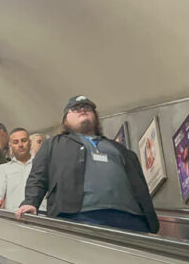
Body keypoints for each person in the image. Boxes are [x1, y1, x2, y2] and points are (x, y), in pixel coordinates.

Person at [16, 96, 158, 233]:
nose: (82, 109)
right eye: (75, 108)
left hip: (131, 219)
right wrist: (31, 202)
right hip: (77, 216)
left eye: (87, 107)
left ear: (96, 117)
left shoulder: (120, 148)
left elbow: (140, 185)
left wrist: (151, 220)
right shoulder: (53, 145)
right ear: (65, 120)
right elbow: (38, 177)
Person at [0, 128, 33, 211]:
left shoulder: (41, 166)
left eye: (24, 140)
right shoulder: (3, 169)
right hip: (13, 217)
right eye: (16, 142)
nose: (20, 145)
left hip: (40, 216)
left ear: (30, 142)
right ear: (10, 145)